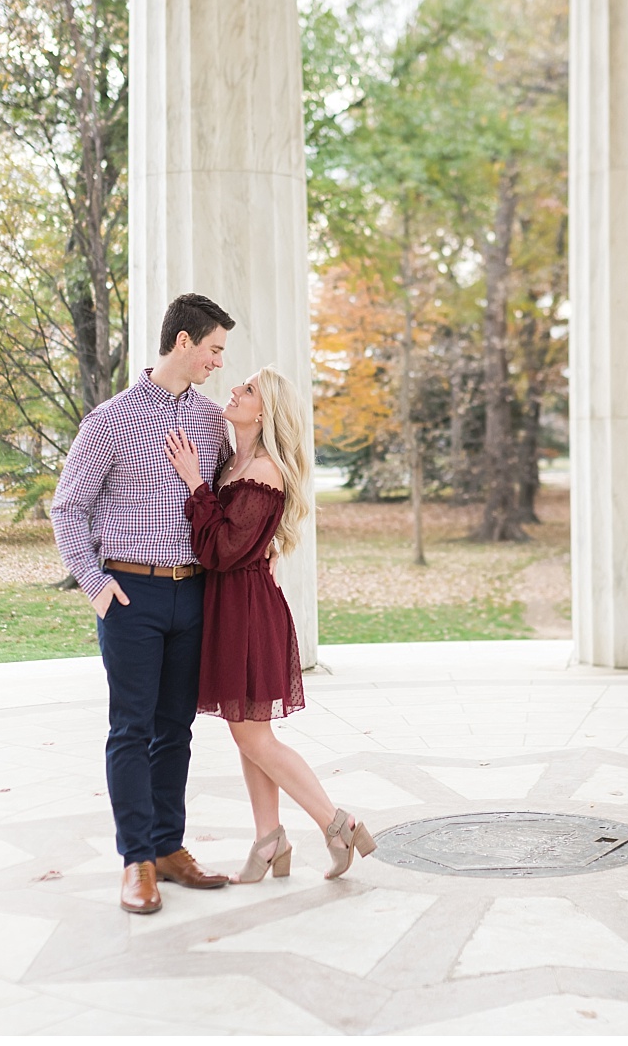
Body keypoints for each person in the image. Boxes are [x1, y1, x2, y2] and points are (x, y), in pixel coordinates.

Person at [51, 292, 238, 915]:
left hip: (195, 594)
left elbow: (225, 502)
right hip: (131, 593)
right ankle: (135, 861)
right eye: (213, 349)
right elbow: (69, 508)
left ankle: (169, 848)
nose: (218, 361)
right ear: (183, 342)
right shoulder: (111, 419)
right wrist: (95, 584)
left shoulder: (212, 424)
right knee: (131, 729)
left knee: (175, 730)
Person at [164, 366, 375, 883]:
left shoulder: (264, 471)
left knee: (254, 737)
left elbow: (221, 550)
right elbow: (239, 539)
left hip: (247, 610)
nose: (233, 390)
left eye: (248, 389)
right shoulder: (236, 462)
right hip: (230, 604)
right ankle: (269, 841)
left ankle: (337, 823)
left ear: (264, 412)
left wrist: (194, 482)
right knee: (250, 733)